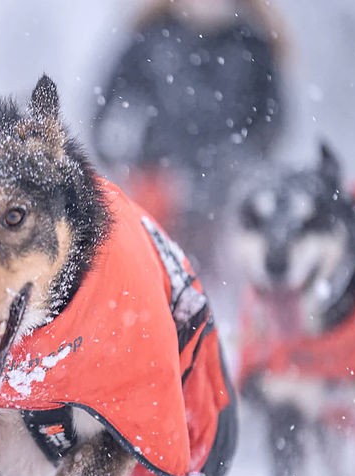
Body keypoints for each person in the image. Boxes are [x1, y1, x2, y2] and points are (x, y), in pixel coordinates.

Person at [92, 0, 286, 274]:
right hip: (158, 191)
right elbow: (109, 117)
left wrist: (233, 164)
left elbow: (271, 123)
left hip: (227, 196)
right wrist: (142, 164)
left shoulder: (252, 45)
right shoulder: (150, 38)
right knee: (142, 266)